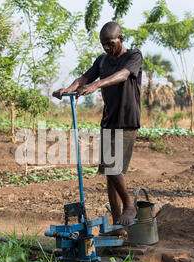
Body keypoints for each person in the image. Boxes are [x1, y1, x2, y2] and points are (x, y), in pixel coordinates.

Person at [52, 21, 142, 235]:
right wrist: (69, 89)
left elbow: (122, 75)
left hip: (127, 120)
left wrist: (96, 85)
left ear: (120, 38)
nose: (107, 49)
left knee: (112, 166)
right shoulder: (102, 60)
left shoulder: (134, 56)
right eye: (103, 45)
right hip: (109, 120)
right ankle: (117, 225)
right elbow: (85, 77)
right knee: (110, 174)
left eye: (110, 44)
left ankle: (130, 206)